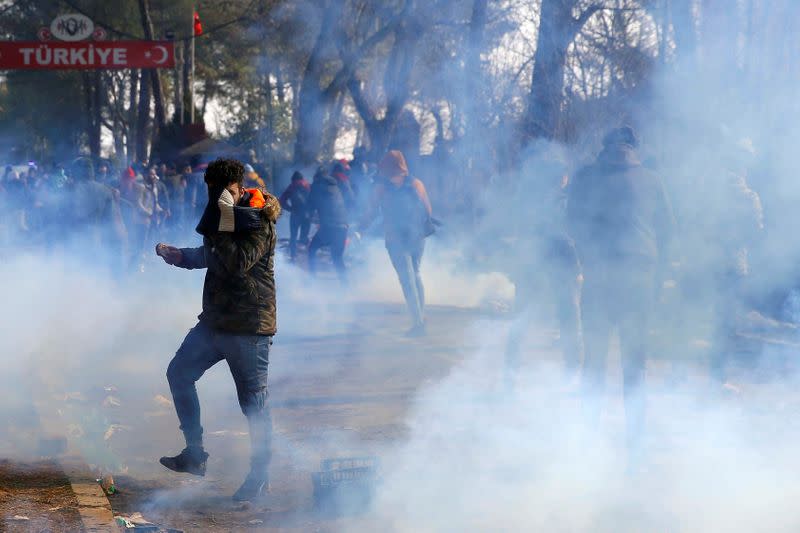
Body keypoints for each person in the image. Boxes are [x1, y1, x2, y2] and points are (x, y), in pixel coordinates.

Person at [156, 158, 281, 502]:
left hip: (248, 325)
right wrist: (180, 255)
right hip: (215, 322)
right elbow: (212, 255)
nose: (213, 197)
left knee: (253, 403)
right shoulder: (223, 214)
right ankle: (194, 453)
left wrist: (223, 221)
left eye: (218, 190)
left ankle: (259, 476)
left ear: (236, 188)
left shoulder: (259, 219)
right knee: (179, 373)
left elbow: (237, 263)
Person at [567, 126, 673, 468]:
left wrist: (589, 257)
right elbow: (668, 231)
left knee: (594, 363)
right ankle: (636, 448)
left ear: (605, 146)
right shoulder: (652, 180)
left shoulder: (585, 177)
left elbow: (571, 221)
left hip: (600, 278)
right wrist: (657, 281)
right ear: (635, 148)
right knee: (634, 367)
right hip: (638, 279)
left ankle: (585, 442)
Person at [505, 152, 583, 387]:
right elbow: (569, 235)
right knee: (569, 317)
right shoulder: (566, 202)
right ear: (562, 179)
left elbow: (520, 233)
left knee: (521, 317)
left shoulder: (527, 201)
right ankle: (572, 372)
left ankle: (510, 372)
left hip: (530, 263)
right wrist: (578, 264)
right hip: (562, 263)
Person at [360, 150, 433, 336]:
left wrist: (360, 228)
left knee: (408, 280)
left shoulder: (381, 188)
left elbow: (370, 212)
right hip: (417, 237)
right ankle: (420, 318)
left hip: (396, 239)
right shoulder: (417, 184)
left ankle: (418, 324)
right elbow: (428, 211)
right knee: (415, 275)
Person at [307, 165, 349, 282]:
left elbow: (310, 206)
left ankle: (312, 280)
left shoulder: (316, 186)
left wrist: (309, 216)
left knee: (311, 249)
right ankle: (346, 287)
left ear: (317, 176)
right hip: (343, 226)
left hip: (329, 227)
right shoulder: (336, 186)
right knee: (337, 258)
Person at [279, 171, 311, 261]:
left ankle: (293, 257)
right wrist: (311, 212)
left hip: (295, 215)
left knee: (293, 237)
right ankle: (309, 256)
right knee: (304, 237)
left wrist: (290, 209)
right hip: (307, 216)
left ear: (293, 179)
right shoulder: (308, 186)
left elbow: (281, 200)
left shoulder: (292, 186)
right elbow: (315, 199)